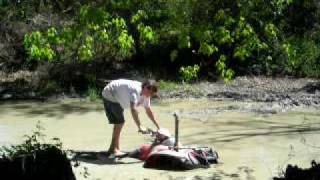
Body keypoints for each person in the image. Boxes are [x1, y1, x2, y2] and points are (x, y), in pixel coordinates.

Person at [101, 79, 160, 156]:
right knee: (119, 123)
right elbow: (133, 109)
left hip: (118, 96)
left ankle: (113, 148)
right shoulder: (135, 91)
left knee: (119, 123)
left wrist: (158, 127)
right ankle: (114, 149)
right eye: (150, 93)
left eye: (152, 94)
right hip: (110, 93)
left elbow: (148, 111)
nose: (150, 95)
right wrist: (140, 126)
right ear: (145, 87)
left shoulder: (146, 95)